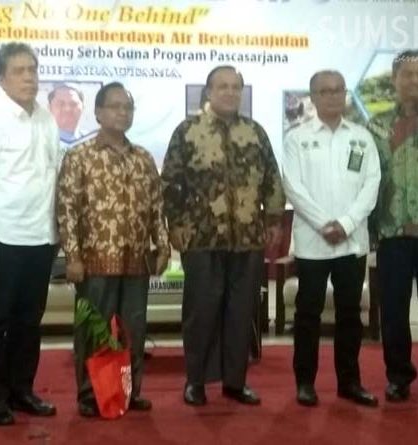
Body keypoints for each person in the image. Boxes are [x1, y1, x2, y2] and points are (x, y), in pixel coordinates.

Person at [161, 65, 285, 407]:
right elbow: (171, 182)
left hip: (247, 237)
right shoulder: (188, 131)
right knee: (201, 311)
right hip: (201, 237)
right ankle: (196, 381)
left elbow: (272, 179)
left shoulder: (255, 132)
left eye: (235, 87)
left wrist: (274, 219)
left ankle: (235, 382)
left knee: (241, 312)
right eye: (223, 86)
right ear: (209, 92)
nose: (230, 92)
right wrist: (174, 224)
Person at [59, 82, 170, 417]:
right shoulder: (80, 156)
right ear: (98, 113)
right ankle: (90, 395)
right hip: (94, 261)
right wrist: (73, 256)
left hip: (136, 260)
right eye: (115, 106)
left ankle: (129, 392)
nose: (122, 113)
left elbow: (156, 207)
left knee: (133, 329)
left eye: (128, 107)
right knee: (93, 328)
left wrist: (163, 246)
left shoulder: (143, 158)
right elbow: (67, 209)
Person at [0, 42, 59, 426]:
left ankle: (22, 390)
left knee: (29, 320)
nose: (29, 77)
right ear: (1, 78)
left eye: (32, 70)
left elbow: (51, 175)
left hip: (42, 236)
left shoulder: (46, 119)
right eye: (19, 71)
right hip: (3, 236)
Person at [282, 70, 381, 407]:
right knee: (307, 315)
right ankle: (305, 383)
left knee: (350, 315)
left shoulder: (362, 137)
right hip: (313, 243)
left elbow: (372, 184)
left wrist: (347, 223)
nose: (333, 96)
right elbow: (293, 186)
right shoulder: (297, 138)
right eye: (325, 91)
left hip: (352, 243)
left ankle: (349, 382)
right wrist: (326, 224)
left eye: (339, 90)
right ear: (313, 97)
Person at [368, 50, 418, 402]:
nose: (414, 81)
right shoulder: (375, 125)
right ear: (394, 80)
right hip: (392, 231)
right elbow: (363, 176)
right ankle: (398, 375)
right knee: (394, 310)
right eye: (407, 74)